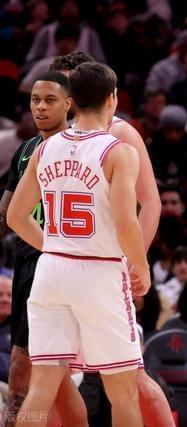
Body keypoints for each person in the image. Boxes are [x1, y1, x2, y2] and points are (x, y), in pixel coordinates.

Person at [7, 62, 150, 426]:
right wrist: (142, 267)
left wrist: (53, 246)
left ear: (70, 101)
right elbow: (126, 222)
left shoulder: (45, 148)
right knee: (123, 392)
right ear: (112, 99)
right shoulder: (118, 151)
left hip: (51, 271)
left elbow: (16, 216)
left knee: (41, 387)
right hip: (99, 271)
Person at [48, 52, 173, 427]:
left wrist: (134, 264)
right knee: (54, 379)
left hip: (105, 270)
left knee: (130, 379)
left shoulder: (121, 133)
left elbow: (150, 204)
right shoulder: (56, 138)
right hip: (64, 272)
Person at [0, 71, 88, 427]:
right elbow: (6, 210)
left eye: (50, 100)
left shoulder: (84, 146)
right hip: (28, 261)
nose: (40, 107)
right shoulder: (26, 150)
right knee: (46, 373)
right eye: (35, 100)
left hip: (65, 263)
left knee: (35, 368)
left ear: (69, 104)